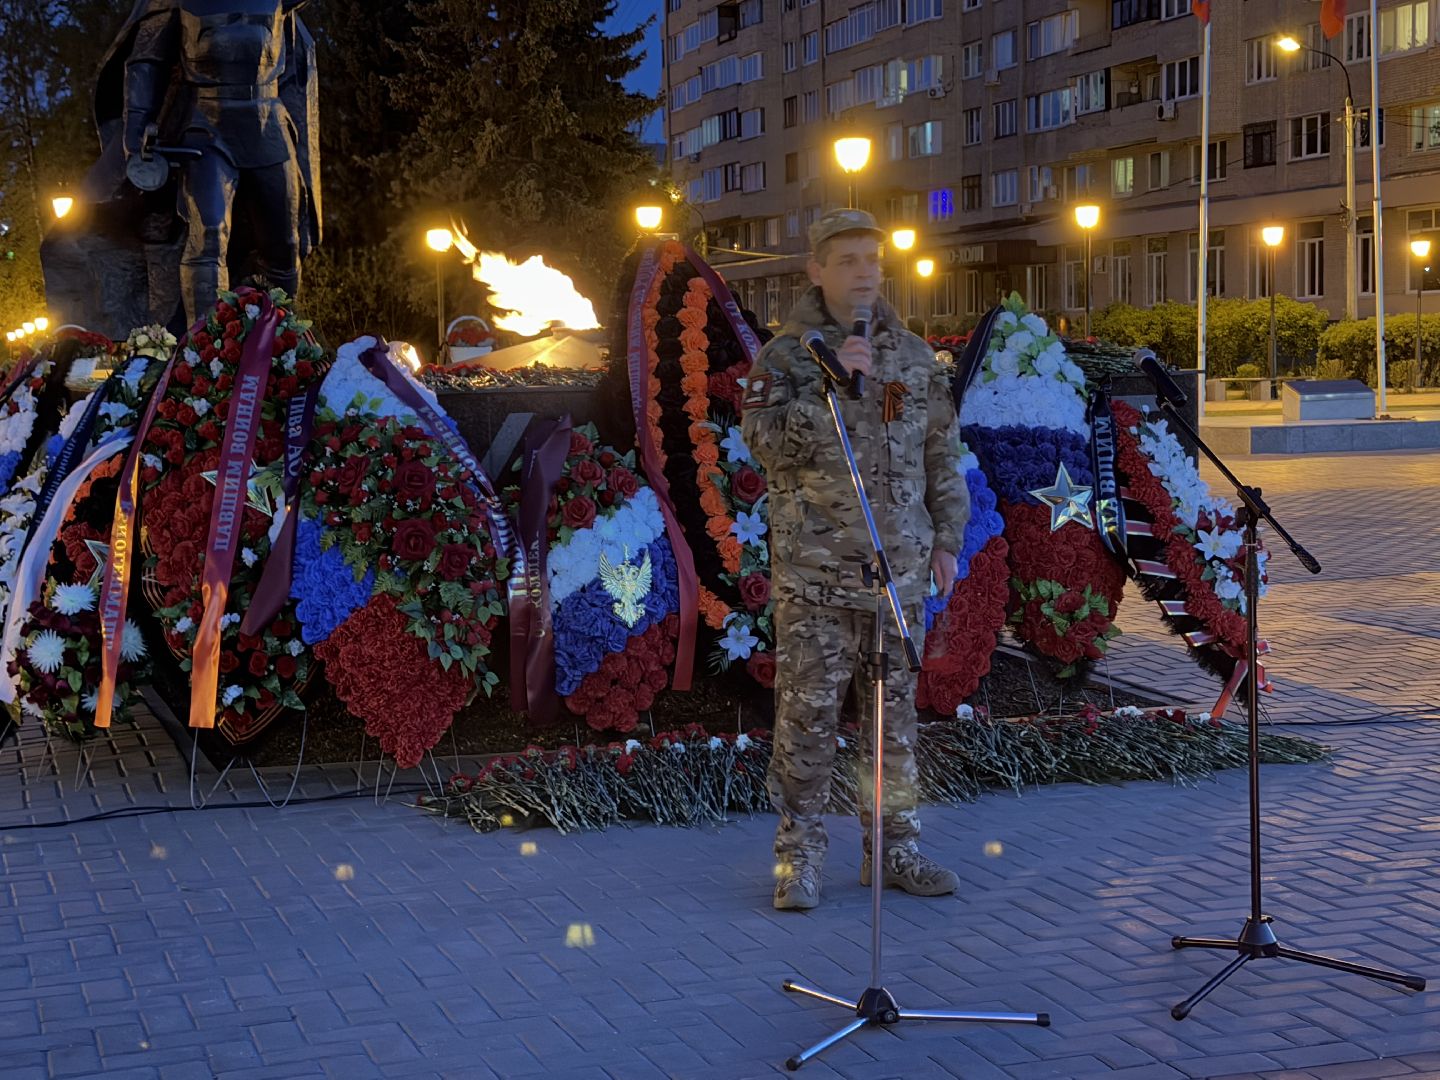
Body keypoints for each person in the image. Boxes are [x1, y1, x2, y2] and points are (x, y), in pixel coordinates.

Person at [741, 208, 970, 911]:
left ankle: (895, 847)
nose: (866, 271)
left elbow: (938, 450)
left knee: (893, 724)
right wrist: (829, 387)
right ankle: (799, 856)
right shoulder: (785, 356)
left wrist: (947, 538)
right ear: (815, 269)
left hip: (896, 573)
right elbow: (763, 446)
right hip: (816, 576)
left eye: (874, 258)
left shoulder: (908, 355)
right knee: (807, 721)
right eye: (848, 260)